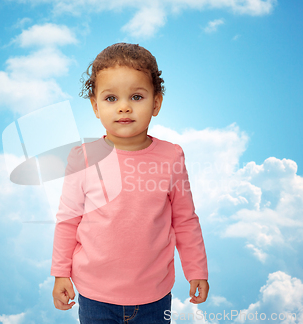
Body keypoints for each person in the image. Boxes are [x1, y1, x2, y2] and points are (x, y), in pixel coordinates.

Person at [51, 42, 209, 323]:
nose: (124, 108)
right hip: (95, 296)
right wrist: (60, 272)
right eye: (111, 99)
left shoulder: (171, 156)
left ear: (156, 103)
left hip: (155, 296)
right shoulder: (82, 158)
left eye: (136, 97)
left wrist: (196, 270)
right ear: (95, 106)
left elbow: (184, 219)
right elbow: (68, 220)